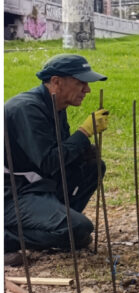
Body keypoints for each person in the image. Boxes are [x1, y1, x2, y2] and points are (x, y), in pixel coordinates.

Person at [4, 53, 110, 258]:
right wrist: (84, 133)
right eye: (80, 83)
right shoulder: (27, 109)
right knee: (78, 230)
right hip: (12, 193)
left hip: (36, 184)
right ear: (56, 82)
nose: (87, 89)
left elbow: (59, 154)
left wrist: (83, 152)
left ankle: (59, 224)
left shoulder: (56, 106)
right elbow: (49, 162)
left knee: (93, 167)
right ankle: (8, 237)